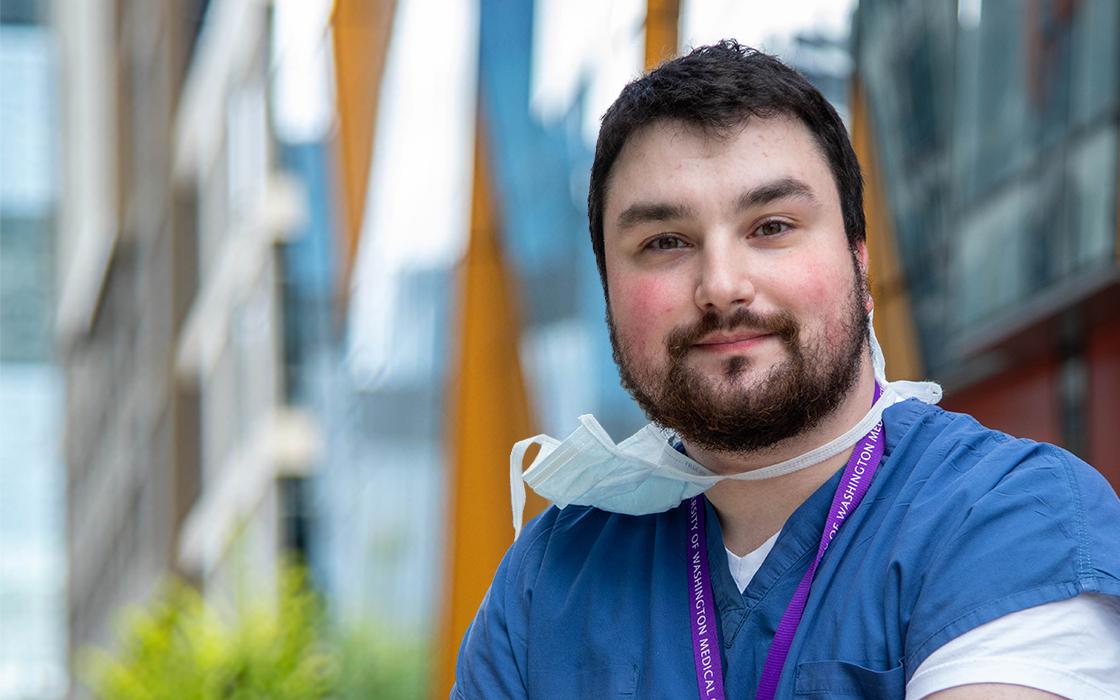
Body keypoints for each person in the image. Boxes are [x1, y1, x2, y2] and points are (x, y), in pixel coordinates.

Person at [452, 41, 1120, 699]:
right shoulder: (548, 584)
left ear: (861, 266)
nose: (721, 285)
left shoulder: (1008, 516)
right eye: (664, 242)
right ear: (609, 296)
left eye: (771, 226)